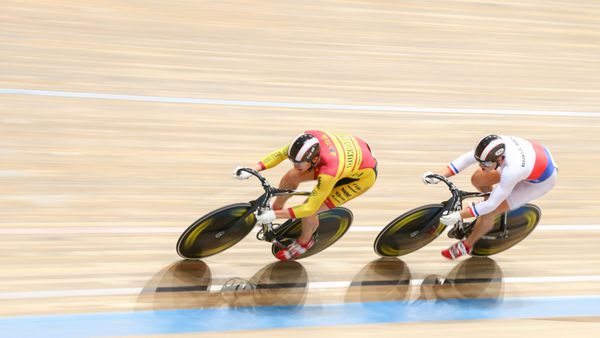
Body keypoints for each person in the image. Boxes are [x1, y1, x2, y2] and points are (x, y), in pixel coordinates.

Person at [234, 130, 378, 261]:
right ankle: (277, 206)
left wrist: (274, 215)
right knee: (291, 176)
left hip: (360, 177)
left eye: (299, 163)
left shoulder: (329, 170)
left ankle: (304, 241)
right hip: (346, 156)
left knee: (310, 209)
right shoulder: (307, 140)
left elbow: (309, 208)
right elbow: (280, 154)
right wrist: (253, 169)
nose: (295, 165)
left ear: (314, 160)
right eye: (293, 161)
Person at [421, 134, 558, 260]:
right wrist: (440, 176)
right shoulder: (490, 147)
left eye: (485, 163)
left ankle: (467, 245)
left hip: (540, 181)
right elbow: (465, 160)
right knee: (477, 179)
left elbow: (492, 204)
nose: (481, 165)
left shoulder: (512, 169)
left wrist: (460, 215)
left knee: (490, 210)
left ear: (499, 158)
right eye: (479, 161)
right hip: (534, 157)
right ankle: (489, 205)